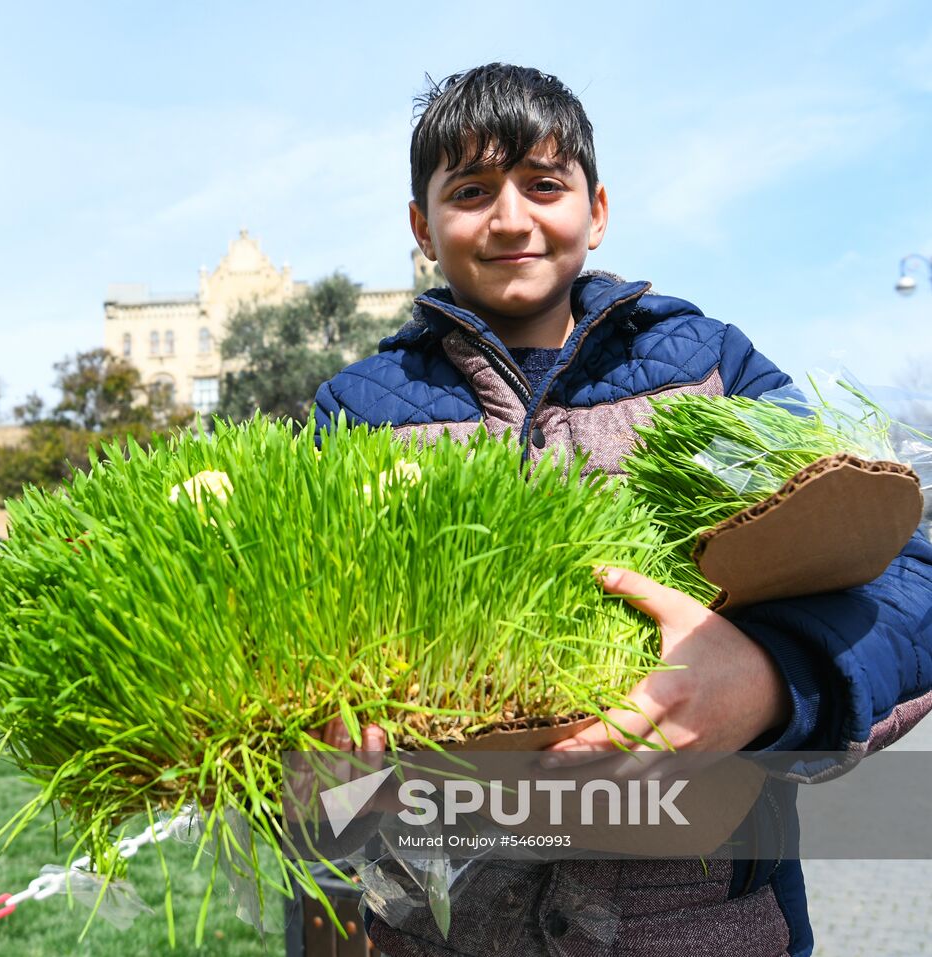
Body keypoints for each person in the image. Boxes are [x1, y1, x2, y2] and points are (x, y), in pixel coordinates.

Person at [311, 63, 932, 957]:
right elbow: (302, 686)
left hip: (703, 926)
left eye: (544, 184)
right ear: (423, 226)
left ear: (597, 211)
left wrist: (763, 678)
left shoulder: (711, 370)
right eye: (473, 190)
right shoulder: (358, 411)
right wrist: (319, 758)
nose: (512, 217)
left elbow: (903, 576)